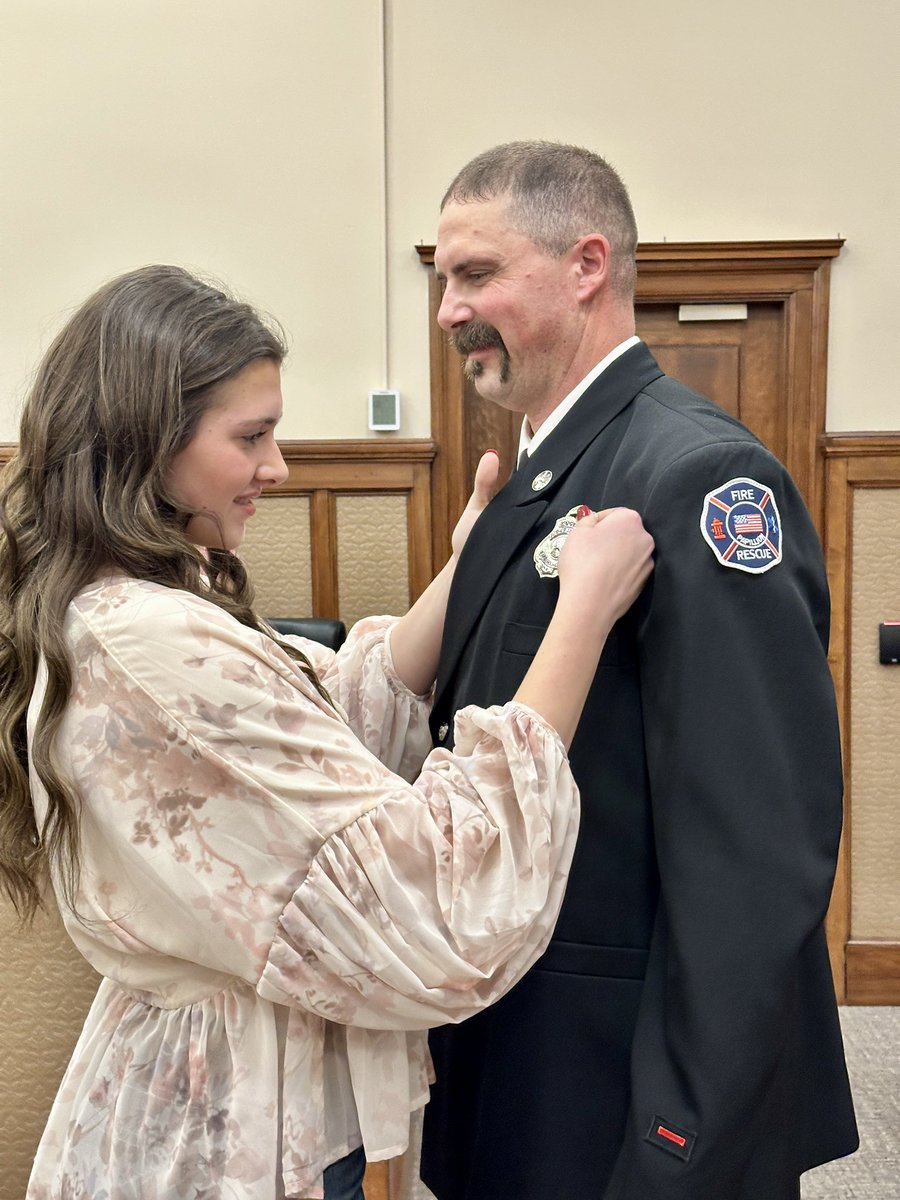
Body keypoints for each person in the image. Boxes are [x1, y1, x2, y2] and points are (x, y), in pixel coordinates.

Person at [0, 264, 655, 1200]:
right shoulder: (145, 639)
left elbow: (315, 729)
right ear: (146, 441)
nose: (277, 467)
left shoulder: (134, 600)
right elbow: (440, 895)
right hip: (229, 1134)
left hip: (239, 1101)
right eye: (250, 437)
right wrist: (584, 613)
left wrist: (467, 564)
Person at [419, 141, 858, 1200]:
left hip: (621, 1095)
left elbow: (753, 855)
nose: (447, 310)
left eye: (476, 274)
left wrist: (678, 1137)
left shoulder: (699, 475)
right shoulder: (540, 471)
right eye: (443, 279)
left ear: (587, 265)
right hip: (524, 1061)